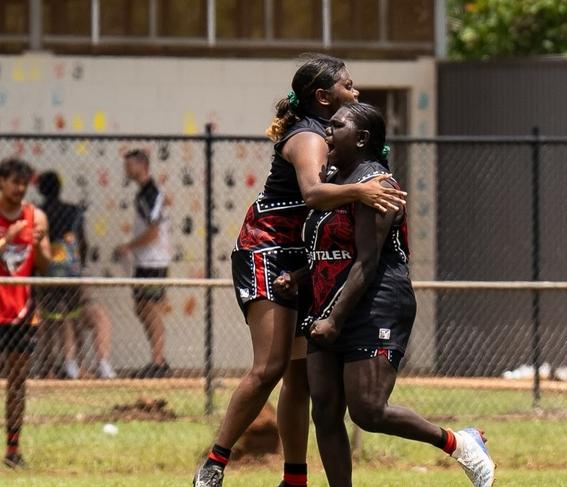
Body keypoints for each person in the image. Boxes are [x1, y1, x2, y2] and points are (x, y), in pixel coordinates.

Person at [193, 55, 407, 487]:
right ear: (323, 97)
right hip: (268, 249)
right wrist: (360, 192)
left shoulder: (337, 140)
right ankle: (214, 463)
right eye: (349, 86)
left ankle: (294, 478)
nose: (356, 92)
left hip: (302, 257)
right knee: (270, 366)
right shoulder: (309, 136)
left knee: (298, 375)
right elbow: (312, 193)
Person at [275, 103, 496, 487]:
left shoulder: (378, 185)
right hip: (326, 305)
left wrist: (335, 320)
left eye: (337, 126)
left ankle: (460, 442)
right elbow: (329, 253)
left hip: (374, 304)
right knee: (325, 411)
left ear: (362, 138)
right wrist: (299, 277)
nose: (327, 132)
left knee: (368, 410)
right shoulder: (334, 179)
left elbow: (367, 261)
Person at [36, 171, 116, 380]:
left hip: (45, 273)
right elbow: (83, 243)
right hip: (71, 272)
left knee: (48, 318)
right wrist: (76, 261)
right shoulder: (73, 212)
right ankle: (75, 364)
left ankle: (47, 365)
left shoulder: (38, 212)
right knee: (72, 314)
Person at [0, 157, 51, 468]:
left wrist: (40, 243)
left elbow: (44, 266)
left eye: (24, 183)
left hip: (22, 312)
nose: (20, 189)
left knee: (17, 382)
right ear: (1, 182)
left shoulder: (36, 216)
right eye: (14, 182)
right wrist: (8, 238)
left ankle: (13, 450)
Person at [114, 149, 171, 378]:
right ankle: (157, 358)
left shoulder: (151, 193)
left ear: (142, 165)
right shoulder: (142, 193)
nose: (126, 170)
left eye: (130, 165)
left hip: (154, 261)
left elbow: (154, 231)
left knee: (150, 308)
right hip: (143, 260)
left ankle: (158, 361)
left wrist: (128, 246)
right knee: (141, 307)